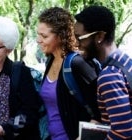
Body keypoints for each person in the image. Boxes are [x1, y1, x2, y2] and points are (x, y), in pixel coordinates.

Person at [36, 7, 101, 140]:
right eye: (38, 34)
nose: (38, 40)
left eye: (44, 36)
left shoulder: (77, 64)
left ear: (61, 36)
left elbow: (100, 110)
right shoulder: (49, 62)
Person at [75, 5, 132, 139]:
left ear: (99, 36)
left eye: (80, 38)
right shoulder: (124, 60)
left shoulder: (109, 75)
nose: (76, 44)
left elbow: (122, 133)